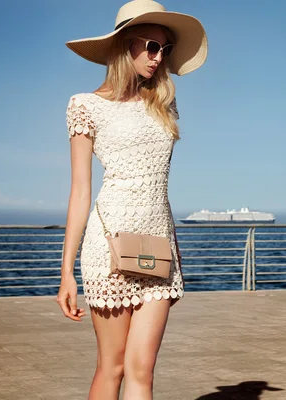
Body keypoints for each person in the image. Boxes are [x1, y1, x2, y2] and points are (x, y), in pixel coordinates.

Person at [57, 1, 207, 399]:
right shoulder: (85, 106)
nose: (159, 58)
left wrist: (174, 246)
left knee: (143, 370)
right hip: (106, 250)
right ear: (126, 45)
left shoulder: (164, 105)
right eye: (152, 46)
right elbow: (80, 192)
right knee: (114, 367)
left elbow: (159, 185)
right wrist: (66, 271)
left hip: (158, 249)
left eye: (166, 49)